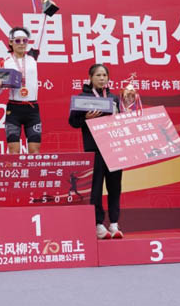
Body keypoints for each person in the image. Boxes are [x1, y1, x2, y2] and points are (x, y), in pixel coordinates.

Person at [68, 64, 123, 239]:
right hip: (94, 149)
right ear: (90, 78)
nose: (102, 78)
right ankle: (98, 224)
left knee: (115, 187)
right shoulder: (82, 98)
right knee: (96, 188)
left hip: (114, 148)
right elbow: (73, 122)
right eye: (98, 75)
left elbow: (123, 121)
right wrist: (85, 118)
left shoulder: (114, 98)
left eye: (104, 75)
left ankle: (114, 223)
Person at [0, 27, 41, 154]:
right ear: (11, 42)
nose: (22, 43)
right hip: (14, 110)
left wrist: (45, 14)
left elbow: (41, 30)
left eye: (25, 40)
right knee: (14, 151)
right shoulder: (5, 63)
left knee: (34, 151)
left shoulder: (33, 57)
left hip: (32, 109)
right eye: (18, 40)